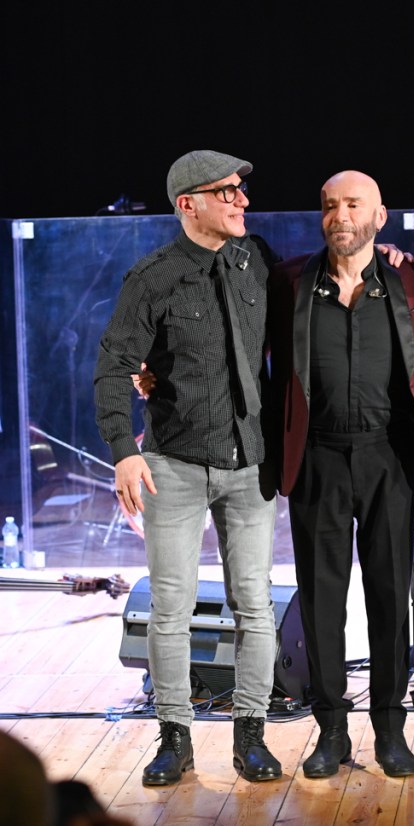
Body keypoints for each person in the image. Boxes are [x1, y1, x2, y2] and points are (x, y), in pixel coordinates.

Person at [94, 150, 282, 786]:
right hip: (173, 462)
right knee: (170, 609)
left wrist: (383, 256)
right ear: (188, 204)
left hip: (249, 462)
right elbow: (113, 366)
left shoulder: (255, 259)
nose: (242, 200)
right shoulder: (151, 278)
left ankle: (251, 735)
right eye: (227, 191)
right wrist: (123, 450)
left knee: (254, 604)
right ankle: (174, 737)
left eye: (241, 190)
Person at [266, 171, 414, 779]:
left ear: (379, 217)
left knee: (390, 593)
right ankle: (332, 730)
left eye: (353, 205)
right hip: (316, 456)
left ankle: (390, 729)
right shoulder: (288, 281)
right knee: (321, 599)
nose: (340, 215)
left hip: (388, 455)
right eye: (330, 205)